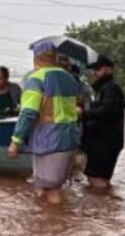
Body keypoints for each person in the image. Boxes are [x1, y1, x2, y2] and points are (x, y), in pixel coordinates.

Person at [7, 41, 82, 205]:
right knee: (45, 187)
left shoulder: (36, 79)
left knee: (50, 189)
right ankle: (47, 218)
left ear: (36, 57)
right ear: (54, 57)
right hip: (70, 138)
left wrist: (16, 141)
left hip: (49, 141)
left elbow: (28, 112)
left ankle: (57, 219)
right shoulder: (69, 78)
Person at [80, 56, 125, 191]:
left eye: (98, 69)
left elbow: (107, 111)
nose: (94, 72)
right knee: (101, 178)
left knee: (94, 177)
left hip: (104, 142)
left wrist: (83, 114)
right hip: (105, 141)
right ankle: (107, 201)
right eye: (94, 69)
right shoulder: (103, 89)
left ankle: (103, 201)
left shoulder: (111, 89)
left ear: (109, 70)